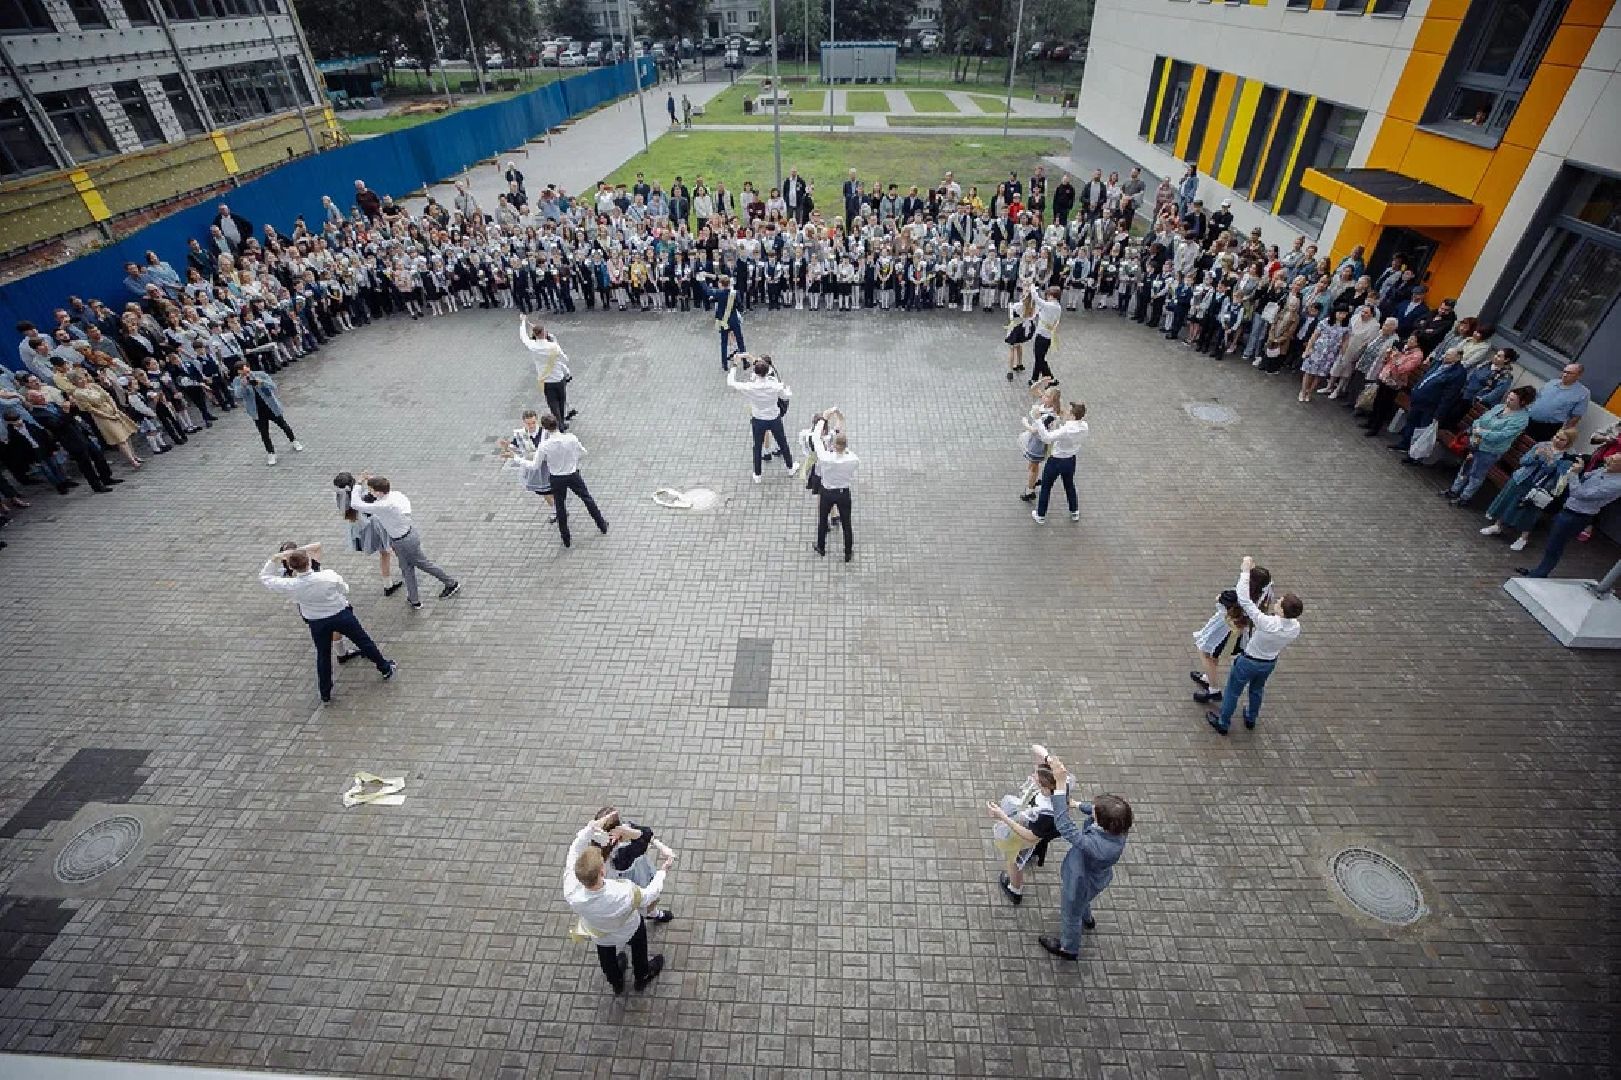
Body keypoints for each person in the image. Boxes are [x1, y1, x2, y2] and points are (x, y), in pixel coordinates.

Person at [257, 542, 395, 704]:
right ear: (309, 562)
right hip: (340, 614)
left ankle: (325, 693)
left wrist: (275, 558)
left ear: (292, 568)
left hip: (317, 622)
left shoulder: (291, 585)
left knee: (323, 655)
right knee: (363, 641)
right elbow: (345, 590)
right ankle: (384, 668)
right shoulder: (328, 575)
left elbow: (265, 577)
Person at [562, 810, 670, 994]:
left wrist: (590, 828)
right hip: (629, 927)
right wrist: (662, 872)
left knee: (606, 956)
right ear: (601, 871)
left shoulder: (571, 890)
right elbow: (649, 895)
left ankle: (616, 982)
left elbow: (575, 848)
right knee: (638, 945)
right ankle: (642, 974)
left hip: (600, 933)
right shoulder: (623, 891)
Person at [1037, 752, 1131, 961]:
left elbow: (1065, 826)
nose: (1092, 812)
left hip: (1081, 880)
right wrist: (1078, 805)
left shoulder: (1098, 846)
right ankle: (1087, 918)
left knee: (1070, 914)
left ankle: (1068, 948)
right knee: (1083, 902)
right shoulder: (1119, 827)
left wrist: (1059, 790)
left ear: (1104, 822)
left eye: (1095, 813)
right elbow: (1098, 811)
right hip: (1096, 879)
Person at [1207, 555, 1302, 735]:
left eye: (1280, 603)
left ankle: (1223, 722)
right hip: (1269, 662)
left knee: (1233, 691)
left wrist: (1244, 572)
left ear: (1282, 611)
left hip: (1248, 661)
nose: (1277, 601)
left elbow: (1244, 600)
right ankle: (1251, 717)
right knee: (1257, 690)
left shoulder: (1266, 622)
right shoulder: (1295, 628)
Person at [351, 475, 462, 607]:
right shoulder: (395, 495)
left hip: (403, 541)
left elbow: (355, 504)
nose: (370, 493)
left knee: (423, 564)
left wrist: (358, 484)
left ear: (379, 492)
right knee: (406, 568)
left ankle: (451, 583)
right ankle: (414, 599)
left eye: (371, 490)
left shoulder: (383, 505)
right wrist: (373, 479)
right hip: (406, 536)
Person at [502, 414, 608, 548]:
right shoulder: (571, 438)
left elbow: (534, 465)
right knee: (587, 499)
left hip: (557, 478)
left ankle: (566, 539)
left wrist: (515, 458)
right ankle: (602, 525)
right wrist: (571, 460)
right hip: (572, 474)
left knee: (560, 506)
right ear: (557, 424)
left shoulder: (544, 446)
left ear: (545, 428)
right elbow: (583, 452)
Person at [1516, 455, 1621, 578]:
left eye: (1613, 460)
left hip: (1578, 515)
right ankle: (1539, 571)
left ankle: (1540, 574)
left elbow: (1580, 493)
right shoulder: (1604, 470)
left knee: (1555, 545)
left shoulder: (1616, 484)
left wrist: (1574, 475)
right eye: (1610, 457)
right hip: (1569, 508)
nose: (1607, 460)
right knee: (1552, 541)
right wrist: (1580, 469)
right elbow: (1586, 478)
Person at [1481, 432, 1581, 552]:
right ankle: (1498, 525)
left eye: (1562, 440)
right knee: (1508, 502)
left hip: (1541, 487)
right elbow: (1523, 461)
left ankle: (1523, 538)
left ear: (1568, 443)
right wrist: (1536, 456)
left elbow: (1557, 475)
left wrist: (1550, 461)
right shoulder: (1542, 445)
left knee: (1530, 512)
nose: (1557, 440)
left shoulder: (1568, 457)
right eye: (1556, 436)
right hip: (1523, 478)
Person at [1191, 566, 1273, 704]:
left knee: (1205, 652)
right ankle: (1209, 677)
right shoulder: (1263, 596)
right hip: (1238, 633)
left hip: (1224, 632)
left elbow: (1219, 600)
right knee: (1213, 654)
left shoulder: (1236, 596)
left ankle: (1213, 689)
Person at [1442, 386, 1533, 506]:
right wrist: (1477, 428)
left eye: (1512, 400)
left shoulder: (1521, 419)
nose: (1507, 401)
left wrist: (1481, 432)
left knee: (1477, 474)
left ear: (1523, 402)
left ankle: (1465, 497)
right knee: (1466, 467)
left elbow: (1502, 435)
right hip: (1476, 443)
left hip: (1490, 450)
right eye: (1508, 398)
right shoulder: (1500, 407)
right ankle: (1454, 490)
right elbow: (1481, 419)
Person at [593, 806, 677, 923]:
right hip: (632, 876)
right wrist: (628, 831)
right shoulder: (621, 854)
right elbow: (646, 835)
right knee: (648, 899)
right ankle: (654, 914)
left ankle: (651, 913)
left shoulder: (595, 839)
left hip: (632, 870)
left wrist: (661, 846)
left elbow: (643, 833)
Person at [727, 354, 794, 483]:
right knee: (783, 443)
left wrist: (735, 365)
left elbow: (730, 382)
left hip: (758, 419)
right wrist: (787, 390)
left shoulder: (750, 387)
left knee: (757, 446)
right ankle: (790, 468)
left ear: (755, 372)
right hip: (774, 417)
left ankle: (757, 475)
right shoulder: (775, 385)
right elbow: (785, 397)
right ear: (768, 371)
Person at [334, 472, 400, 597]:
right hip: (375, 526)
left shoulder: (340, 497)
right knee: (388, 550)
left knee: (385, 552)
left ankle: (388, 584)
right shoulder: (359, 499)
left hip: (360, 530)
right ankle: (393, 579)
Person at [1023, 401, 1087, 525]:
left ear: (1073, 416)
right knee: (1069, 485)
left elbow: (1047, 437)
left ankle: (1040, 515)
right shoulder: (1084, 426)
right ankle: (1074, 511)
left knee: (1046, 487)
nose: (1067, 412)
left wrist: (1037, 420)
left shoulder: (1066, 430)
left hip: (1056, 460)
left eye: (1069, 411)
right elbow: (1069, 424)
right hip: (1071, 459)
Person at [230, 362, 302, 466]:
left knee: (283, 425)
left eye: (245, 368)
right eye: (241, 370)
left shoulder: (260, 374)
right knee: (264, 433)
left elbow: (273, 386)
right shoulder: (237, 381)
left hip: (270, 406)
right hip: (256, 411)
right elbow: (238, 395)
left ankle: (294, 441)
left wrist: (261, 382)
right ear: (238, 371)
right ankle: (271, 453)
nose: (244, 371)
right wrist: (243, 385)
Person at [811, 420, 858, 562]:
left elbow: (815, 438)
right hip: (843, 493)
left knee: (822, 520)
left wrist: (822, 420)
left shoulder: (825, 458)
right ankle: (848, 552)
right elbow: (850, 455)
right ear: (846, 446)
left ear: (833, 445)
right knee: (847, 523)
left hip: (827, 492)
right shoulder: (853, 459)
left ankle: (821, 547)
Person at [519, 316, 574, 432]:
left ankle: (559, 424)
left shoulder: (532, 346)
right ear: (544, 333)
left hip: (546, 380)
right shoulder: (553, 346)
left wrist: (523, 321)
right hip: (558, 378)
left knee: (553, 404)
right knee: (561, 401)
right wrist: (553, 339)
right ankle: (561, 424)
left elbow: (523, 337)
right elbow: (565, 360)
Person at [1523, 362, 1589, 442]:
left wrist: (1564, 433)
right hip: (1529, 419)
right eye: (1564, 371)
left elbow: (1576, 417)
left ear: (1578, 376)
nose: (1565, 375)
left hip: (1548, 428)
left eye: (1569, 373)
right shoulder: (1552, 383)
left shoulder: (1582, 393)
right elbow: (1537, 398)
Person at [697, 273, 745, 372]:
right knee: (740, 341)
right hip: (734, 320)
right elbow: (740, 307)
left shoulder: (719, 293)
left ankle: (724, 364)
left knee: (724, 343)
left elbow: (707, 291)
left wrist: (702, 281)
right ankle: (745, 362)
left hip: (724, 321)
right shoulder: (735, 293)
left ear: (722, 284)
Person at [1028, 284, 1062, 387]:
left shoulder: (1050, 306)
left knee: (1039, 358)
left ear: (1052, 296)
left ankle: (1049, 378)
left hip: (1042, 335)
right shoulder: (1057, 306)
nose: (1047, 296)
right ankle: (1035, 378)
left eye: (1048, 295)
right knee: (1040, 357)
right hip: (1047, 335)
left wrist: (1032, 287)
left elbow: (1037, 299)